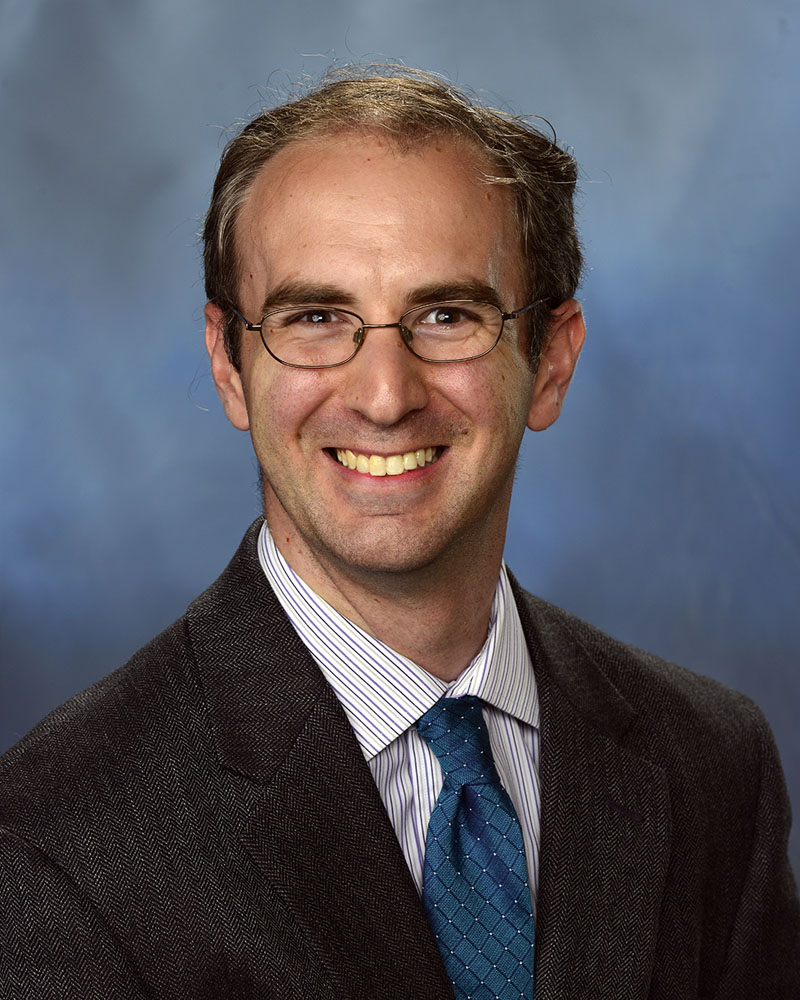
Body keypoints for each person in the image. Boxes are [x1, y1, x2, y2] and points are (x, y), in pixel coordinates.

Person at [1, 66, 797, 1000]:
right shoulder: (58, 836)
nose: (385, 396)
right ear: (228, 364)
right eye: (316, 318)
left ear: (550, 361)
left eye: (447, 316)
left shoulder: (713, 766)